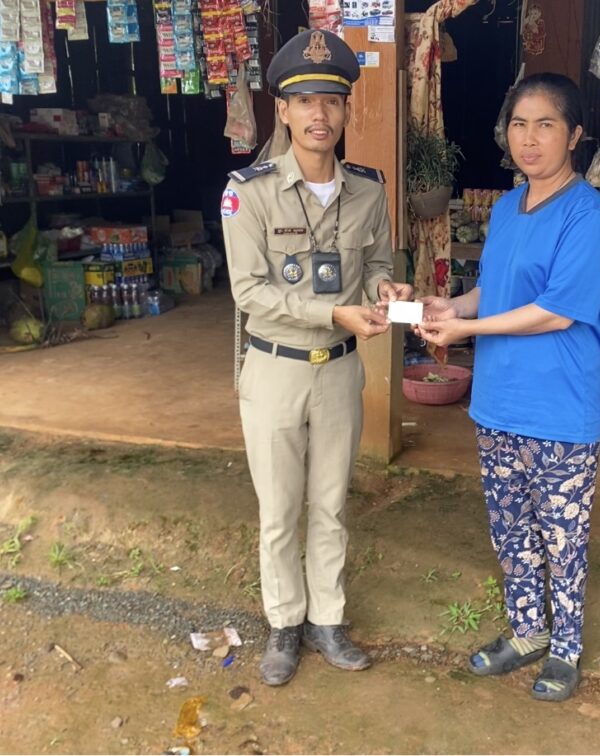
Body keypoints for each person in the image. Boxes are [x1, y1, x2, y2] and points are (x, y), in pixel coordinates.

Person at [221, 28, 413, 687]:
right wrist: (332, 312)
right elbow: (249, 291)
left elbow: (380, 263)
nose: (319, 115)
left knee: (330, 503)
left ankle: (327, 620)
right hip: (274, 369)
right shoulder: (248, 192)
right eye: (304, 102)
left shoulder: (368, 190)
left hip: (339, 369)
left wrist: (385, 290)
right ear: (283, 110)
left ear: (346, 109)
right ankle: (284, 624)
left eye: (331, 101)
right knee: (279, 511)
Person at [416, 73, 600, 702]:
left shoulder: (588, 215)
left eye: (545, 125)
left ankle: (565, 649)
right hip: (497, 403)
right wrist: (453, 307)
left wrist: (467, 329)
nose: (529, 139)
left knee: (562, 538)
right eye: (519, 125)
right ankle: (528, 631)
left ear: (574, 135)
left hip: (557, 407)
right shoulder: (506, 207)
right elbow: (496, 288)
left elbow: (555, 311)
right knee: (510, 530)